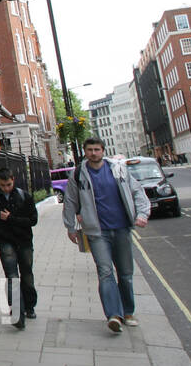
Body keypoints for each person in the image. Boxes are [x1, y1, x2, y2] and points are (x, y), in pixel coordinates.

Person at [62, 137, 150, 334]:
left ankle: (128, 312)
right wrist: (70, 226)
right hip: (97, 232)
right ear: (85, 152)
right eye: (90, 150)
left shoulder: (118, 170)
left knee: (126, 274)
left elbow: (137, 192)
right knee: (105, 272)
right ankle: (113, 315)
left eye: (97, 149)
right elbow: (70, 201)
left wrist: (142, 214)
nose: (93, 153)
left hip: (121, 229)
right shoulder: (78, 174)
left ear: (103, 151)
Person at [0, 167, 39, 330]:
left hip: (24, 241)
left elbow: (33, 220)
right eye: (2, 185)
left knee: (27, 274)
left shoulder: (24, 196)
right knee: (12, 276)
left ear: (13, 180)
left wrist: (11, 218)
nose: (6, 188)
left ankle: (29, 306)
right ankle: (17, 312)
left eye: (8, 184)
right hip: (5, 241)